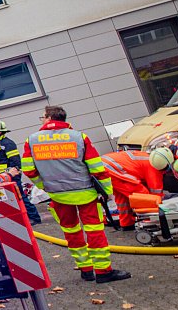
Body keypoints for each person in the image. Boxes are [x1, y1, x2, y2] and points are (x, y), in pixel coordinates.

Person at [21, 105, 130, 283]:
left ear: (49, 118)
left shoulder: (31, 140)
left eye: (42, 117)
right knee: (94, 231)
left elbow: (28, 169)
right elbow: (97, 168)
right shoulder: (79, 137)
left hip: (58, 196)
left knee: (71, 231)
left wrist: (46, 186)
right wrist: (107, 192)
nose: (41, 120)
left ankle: (85, 269)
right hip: (86, 193)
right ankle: (103, 271)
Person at [0, 119, 41, 224]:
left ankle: (34, 218)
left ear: (0, 132)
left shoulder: (8, 144)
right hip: (0, 178)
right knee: (6, 200)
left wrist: (12, 175)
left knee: (21, 198)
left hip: (11, 177)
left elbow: (15, 162)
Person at [100, 149, 167, 230]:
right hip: (111, 169)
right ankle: (149, 222)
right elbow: (155, 193)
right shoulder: (155, 166)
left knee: (122, 198)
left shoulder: (147, 158)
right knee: (142, 195)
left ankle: (127, 224)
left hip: (105, 167)